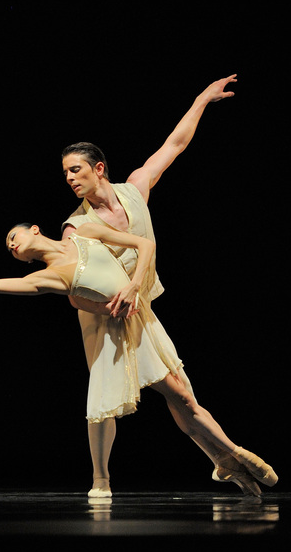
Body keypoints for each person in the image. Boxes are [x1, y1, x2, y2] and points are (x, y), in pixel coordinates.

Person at [0, 221, 277, 497]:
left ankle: (230, 456)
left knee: (181, 396)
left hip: (139, 319)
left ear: (34, 229)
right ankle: (101, 479)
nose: (11, 245)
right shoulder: (47, 278)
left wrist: (133, 285)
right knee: (102, 405)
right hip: (111, 334)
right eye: (9, 248)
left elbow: (144, 246)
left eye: (13, 236)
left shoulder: (85, 231)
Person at [59, 74, 271, 498]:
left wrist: (202, 99)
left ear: (99, 169)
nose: (69, 178)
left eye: (76, 169)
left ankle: (223, 461)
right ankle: (101, 480)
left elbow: (175, 143)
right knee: (105, 399)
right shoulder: (76, 228)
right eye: (65, 172)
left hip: (140, 309)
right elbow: (72, 292)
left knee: (181, 392)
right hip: (101, 316)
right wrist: (106, 310)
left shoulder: (136, 189)